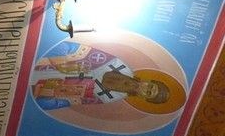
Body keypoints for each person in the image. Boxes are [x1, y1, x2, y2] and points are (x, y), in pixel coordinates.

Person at [31, 42, 171, 111]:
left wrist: (48, 90)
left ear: (143, 98)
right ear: (148, 80)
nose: (145, 88)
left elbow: (46, 104)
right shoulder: (115, 63)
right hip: (34, 61)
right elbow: (65, 46)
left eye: (148, 92)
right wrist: (60, 63)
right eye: (150, 85)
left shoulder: (107, 98)